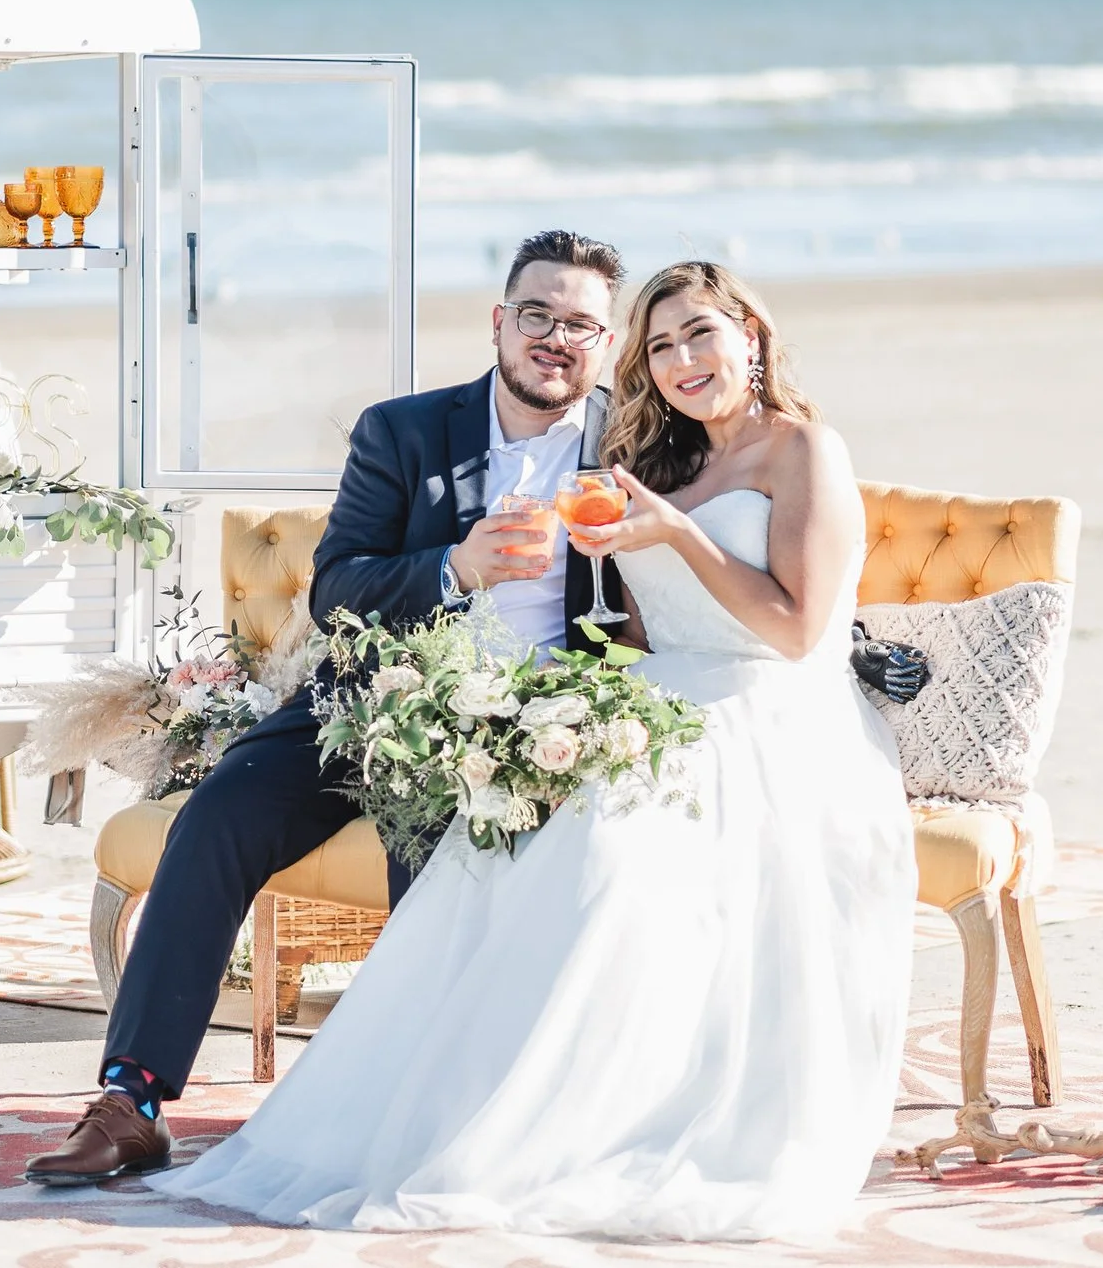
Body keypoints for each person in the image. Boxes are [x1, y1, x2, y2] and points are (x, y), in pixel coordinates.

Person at [152, 260, 916, 1241]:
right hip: (598, 696)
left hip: (764, 713)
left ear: (753, 338)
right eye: (662, 345)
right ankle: (369, 1114)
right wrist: (535, 683)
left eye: (700, 334)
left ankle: (586, 1121)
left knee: (601, 856)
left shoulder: (789, 448)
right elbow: (628, 628)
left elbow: (797, 624)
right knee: (472, 853)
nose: (682, 359)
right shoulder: (642, 454)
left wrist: (684, 542)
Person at [23, 230, 630, 1185]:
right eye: (537, 315)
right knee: (219, 815)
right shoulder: (406, 430)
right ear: (500, 323)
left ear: (609, 343)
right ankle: (131, 1100)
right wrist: (455, 566)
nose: (556, 338)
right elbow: (337, 588)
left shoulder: (633, 444)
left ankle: (416, 1104)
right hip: (364, 699)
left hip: (523, 726)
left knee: (430, 850)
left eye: (581, 324)